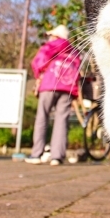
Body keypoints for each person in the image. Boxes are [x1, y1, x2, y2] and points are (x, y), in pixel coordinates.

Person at [26, 24, 82, 166]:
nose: (50, 37)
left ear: (56, 36)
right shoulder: (74, 51)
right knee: (62, 120)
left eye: (52, 35)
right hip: (67, 87)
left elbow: (37, 63)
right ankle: (57, 157)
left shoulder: (50, 46)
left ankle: (36, 154)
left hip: (50, 85)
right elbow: (78, 69)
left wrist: (39, 74)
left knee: (42, 118)